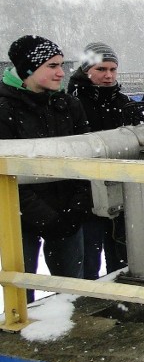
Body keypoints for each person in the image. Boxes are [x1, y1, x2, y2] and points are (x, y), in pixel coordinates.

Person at [0, 35, 91, 302]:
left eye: (61, 64)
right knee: (20, 293)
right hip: (17, 219)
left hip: (67, 214)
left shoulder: (68, 105)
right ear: (29, 68)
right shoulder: (3, 110)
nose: (61, 72)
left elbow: (87, 159)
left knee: (73, 293)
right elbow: (7, 175)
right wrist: (46, 218)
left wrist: (76, 206)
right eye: (52, 66)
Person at [67, 42, 141, 278]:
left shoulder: (124, 104)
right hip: (86, 198)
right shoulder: (71, 105)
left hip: (123, 193)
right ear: (87, 70)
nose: (108, 76)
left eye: (113, 70)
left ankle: (120, 303)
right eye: (101, 69)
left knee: (122, 261)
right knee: (88, 263)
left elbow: (142, 149)